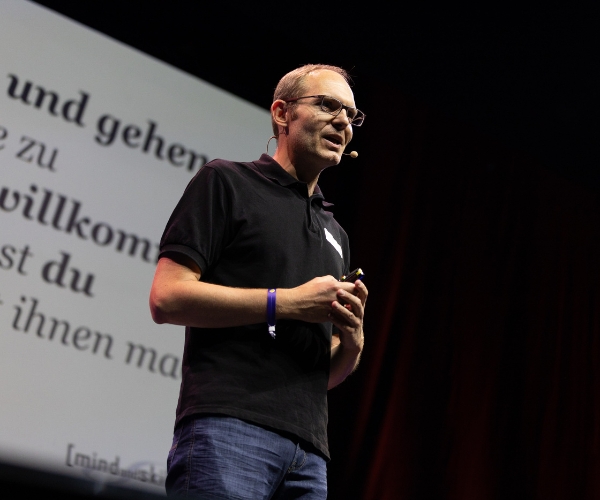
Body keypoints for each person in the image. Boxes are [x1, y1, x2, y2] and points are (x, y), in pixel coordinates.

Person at [149, 64, 368, 499]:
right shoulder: (227, 181)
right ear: (282, 113)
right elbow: (167, 298)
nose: (343, 121)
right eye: (328, 106)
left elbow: (320, 374)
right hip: (229, 428)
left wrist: (353, 342)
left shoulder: (336, 234)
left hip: (309, 455)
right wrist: (284, 302)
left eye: (352, 114)